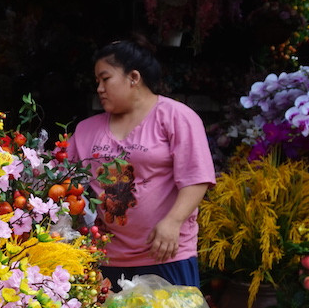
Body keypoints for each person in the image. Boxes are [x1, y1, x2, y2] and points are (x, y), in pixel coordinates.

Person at [68, 38, 215, 288]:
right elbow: (59, 181)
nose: (100, 89)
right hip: (107, 259)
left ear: (133, 77)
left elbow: (196, 178)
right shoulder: (85, 130)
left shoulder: (176, 117)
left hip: (166, 252)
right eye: (97, 82)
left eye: (106, 79)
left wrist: (173, 222)